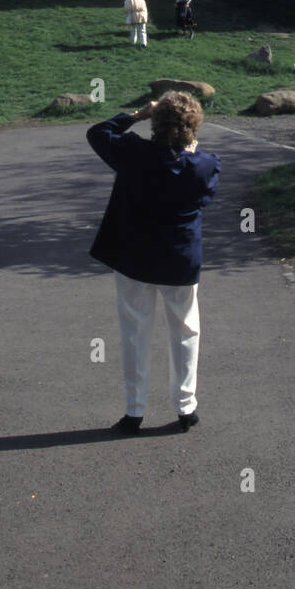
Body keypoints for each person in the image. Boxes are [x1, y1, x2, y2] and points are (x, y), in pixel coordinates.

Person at [87, 92, 221, 435]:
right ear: (193, 125)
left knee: (134, 333)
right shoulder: (206, 165)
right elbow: (203, 191)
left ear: (155, 121)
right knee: (186, 332)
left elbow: (97, 133)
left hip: (133, 257)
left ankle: (134, 411)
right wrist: (189, 146)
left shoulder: (132, 154)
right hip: (179, 259)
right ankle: (186, 407)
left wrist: (135, 114)